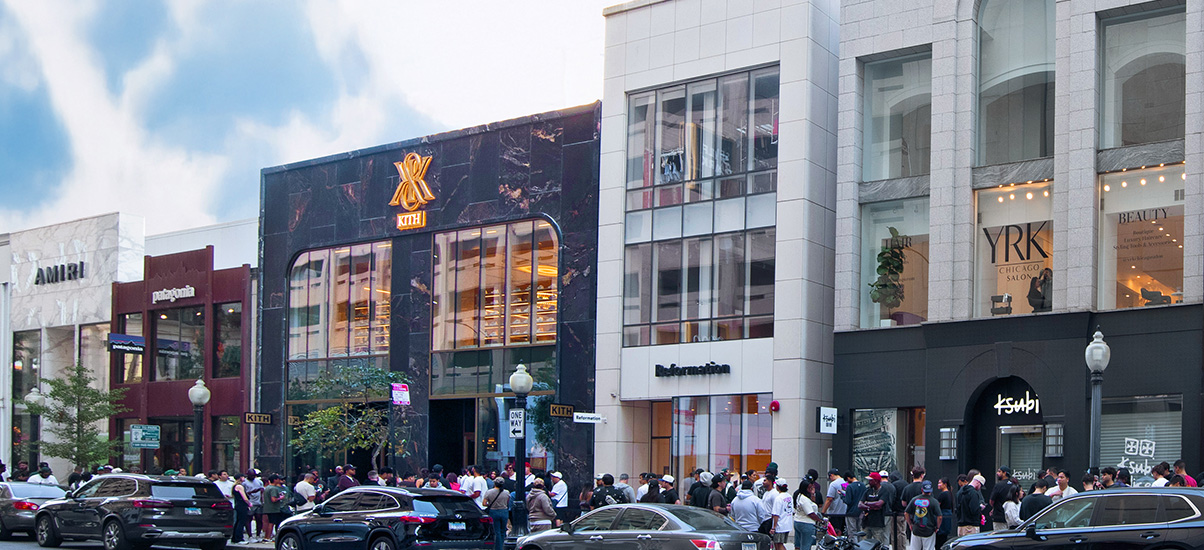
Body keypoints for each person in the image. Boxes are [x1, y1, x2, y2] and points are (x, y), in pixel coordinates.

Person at [859, 472, 893, 548]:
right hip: (866, 522)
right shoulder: (868, 490)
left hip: (877, 523)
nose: (869, 482)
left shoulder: (884, 491)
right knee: (863, 544)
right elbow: (860, 504)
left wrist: (867, 503)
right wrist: (869, 506)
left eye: (871, 480)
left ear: (876, 481)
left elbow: (879, 504)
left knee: (878, 545)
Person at [905, 480, 941, 550]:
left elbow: (906, 513)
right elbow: (939, 516)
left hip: (916, 529)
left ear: (922, 489)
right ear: (931, 490)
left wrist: (910, 524)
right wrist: (937, 527)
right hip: (929, 530)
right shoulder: (934, 501)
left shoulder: (914, 499)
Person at [793, 479, 822, 550]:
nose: (812, 489)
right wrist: (820, 520)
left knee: (799, 544)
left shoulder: (800, 496)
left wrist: (812, 494)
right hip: (806, 523)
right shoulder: (804, 499)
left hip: (798, 521)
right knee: (806, 545)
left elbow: (813, 504)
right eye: (810, 488)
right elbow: (810, 513)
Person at [482, 477, 510, 549]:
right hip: (504, 511)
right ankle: (503, 546)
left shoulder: (489, 492)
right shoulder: (506, 492)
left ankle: (498, 547)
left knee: (496, 531)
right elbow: (507, 502)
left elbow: (484, 503)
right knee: (503, 530)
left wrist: (490, 504)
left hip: (493, 511)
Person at [261, 474, 289, 543]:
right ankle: (268, 537)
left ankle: (266, 536)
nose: (279, 480)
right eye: (278, 479)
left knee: (269, 522)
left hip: (268, 508)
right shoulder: (273, 488)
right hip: (273, 508)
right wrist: (280, 498)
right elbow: (273, 499)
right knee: (272, 523)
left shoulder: (267, 488)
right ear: (275, 480)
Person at [842, 472, 867, 542]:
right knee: (860, 531)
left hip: (851, 512)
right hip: (861, 512)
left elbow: (848, 501)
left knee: (852, 531)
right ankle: (861, 545)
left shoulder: (850, 487)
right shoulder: (863, 486)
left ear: (848, 478)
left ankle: (853, 546)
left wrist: (842, 496)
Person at [821, 469, 847, 535]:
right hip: (845, 512)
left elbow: (829, 499)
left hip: (835, 512)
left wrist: (823, 512)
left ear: (831, 475)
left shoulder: (833, 484)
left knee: (835, 532)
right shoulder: (846, 483)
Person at [989, 467, 1016, 531]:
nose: (997, 473)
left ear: (1004, 473)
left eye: (999, 471)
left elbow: (991, 501)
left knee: (999, 538)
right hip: (1011, 517)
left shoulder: (998, 485)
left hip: (999, 517)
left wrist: (994, 507)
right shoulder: (1014, 485)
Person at [243, 469, 265, 542]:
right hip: (250, 503)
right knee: (248, 519)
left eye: (254, 475)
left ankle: (258, 535)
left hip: (258, 503)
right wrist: (253, 491)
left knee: (259, 519)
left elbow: (262, 492)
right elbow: (244, 493)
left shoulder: (259, 482)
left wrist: (262, 500)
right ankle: (250, 536)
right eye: (251, 475)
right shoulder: (244, 483)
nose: (253, 477)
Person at [771, 478, 793, 550]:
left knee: (779, 545)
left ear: (778, 487)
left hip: (780, 525)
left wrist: (773, 527)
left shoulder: (778, 498)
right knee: (778, 544)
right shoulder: (789, 496)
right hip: (787, 524)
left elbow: (776, 514)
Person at [231, 472, 252, 545]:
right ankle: (239, 538)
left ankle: (235, 537)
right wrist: (249, 503)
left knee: (238, 521)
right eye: (243, 477)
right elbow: (244, 497)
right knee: (241, 521)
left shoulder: (234, 486)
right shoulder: (240, 486)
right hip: (242, 505)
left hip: (238, 505)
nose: (244, 478)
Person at [934, 478, 954, 549]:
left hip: (942, 517)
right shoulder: (949, 493)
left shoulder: (942, 495)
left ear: (945, 484)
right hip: (947, 518)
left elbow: (937, 506)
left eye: (940, 483)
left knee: (939, 540)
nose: (938, 485)